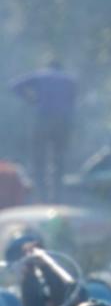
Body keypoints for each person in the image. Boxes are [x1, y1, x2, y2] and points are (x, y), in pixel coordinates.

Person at [9, 59, 77, 202]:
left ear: (48, 66)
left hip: (43, 119)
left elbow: (14, 85)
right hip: (63, 122)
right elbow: (73, 101)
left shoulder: (41, 75)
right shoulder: (70, 79)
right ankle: (57, 197)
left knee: (39, 158)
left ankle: (40, 196)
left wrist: (31, 99)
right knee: (58, 159)